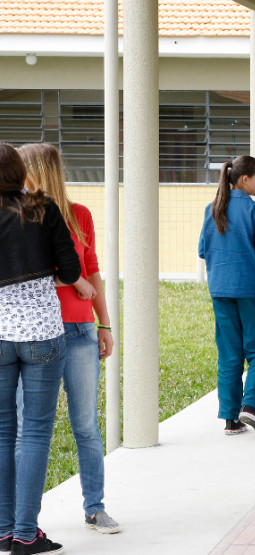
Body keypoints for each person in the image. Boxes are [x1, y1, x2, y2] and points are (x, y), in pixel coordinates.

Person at [18, 143, 121, 535]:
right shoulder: (19, 218)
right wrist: (67, 278)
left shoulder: (79, 215)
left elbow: (92, 271)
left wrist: (105, 325)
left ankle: (95, 507)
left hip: (79, 330)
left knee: (85, 425)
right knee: (26, 429)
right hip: (31, 335)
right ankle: (18, 519)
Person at [0, 143, 81, 555]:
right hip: (42, 333)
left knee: (1, 431)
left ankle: (2, 529)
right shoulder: (42, 208)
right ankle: (26, 534)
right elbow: (70, 270)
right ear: (19, 171)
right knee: (33, 432)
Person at [199, 155, 255, 436]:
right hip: (252, 291)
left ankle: (231, 419)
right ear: (244, 180)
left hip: (220, 290)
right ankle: (251, 407)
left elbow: (202, 251)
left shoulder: (212, 209)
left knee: (229, 354)